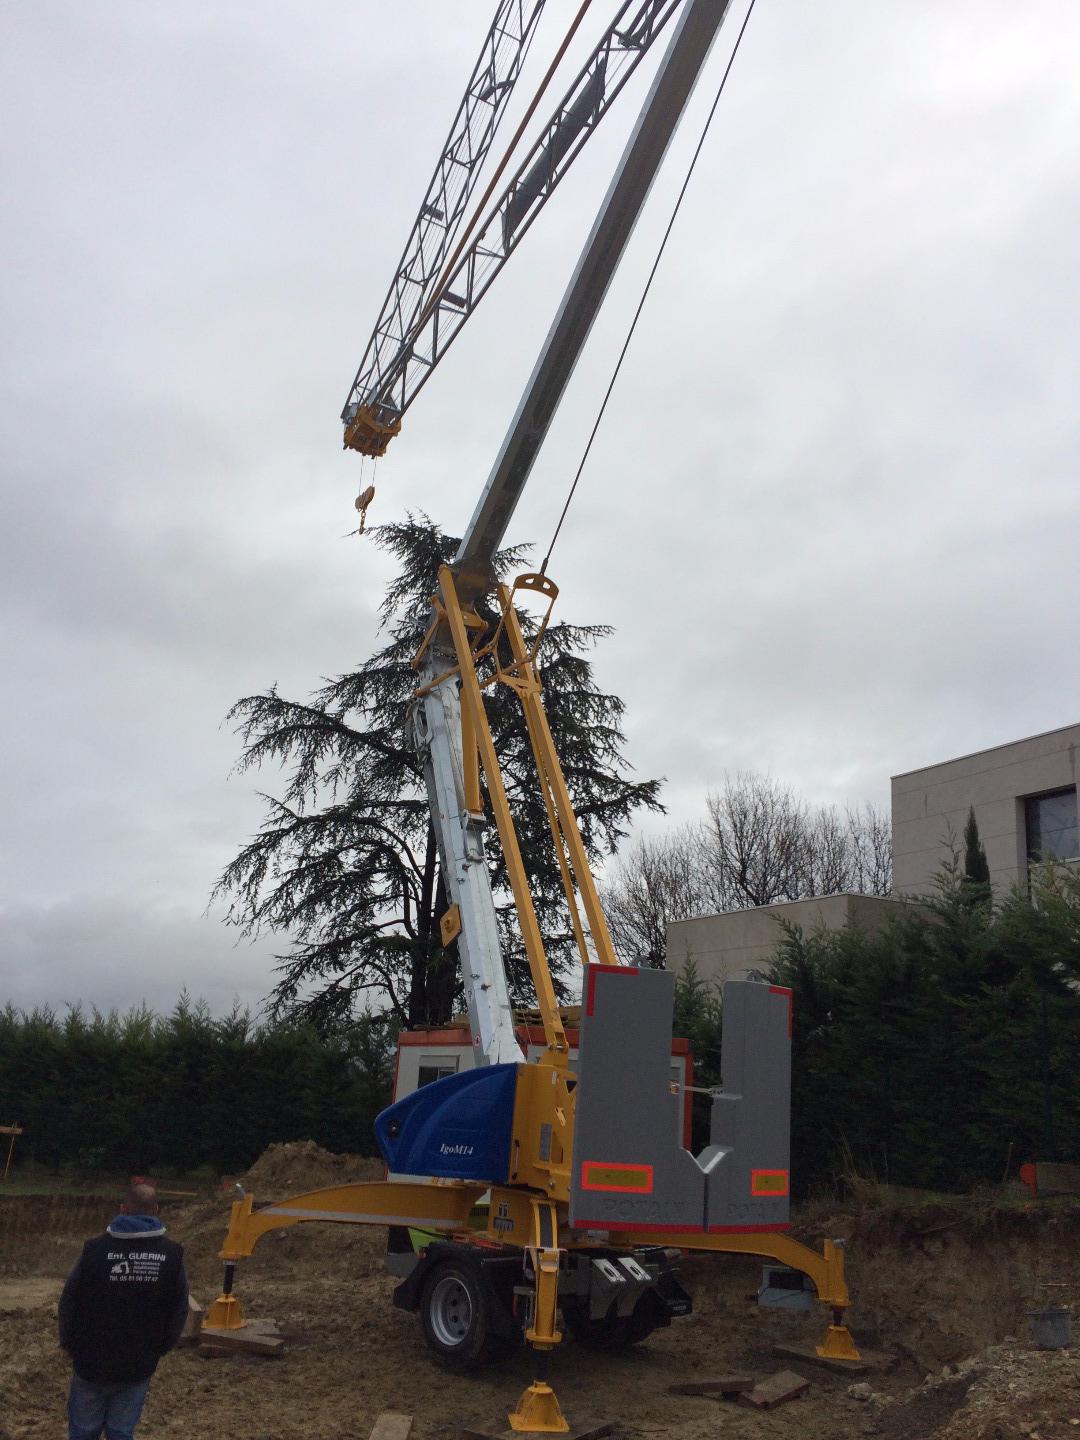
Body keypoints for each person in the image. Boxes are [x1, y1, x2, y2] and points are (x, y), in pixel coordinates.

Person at [59, 1181, 189, 1440]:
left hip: (90, 1361)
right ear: (157, 1210)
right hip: (138, 1363)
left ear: (121, 1209)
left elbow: (69, 1300)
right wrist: (161, 1347)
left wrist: (69, 1343)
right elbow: (179, 1308)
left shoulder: (94, 1249)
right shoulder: (172, 1255)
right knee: (121, 1431)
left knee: (83, 1431)